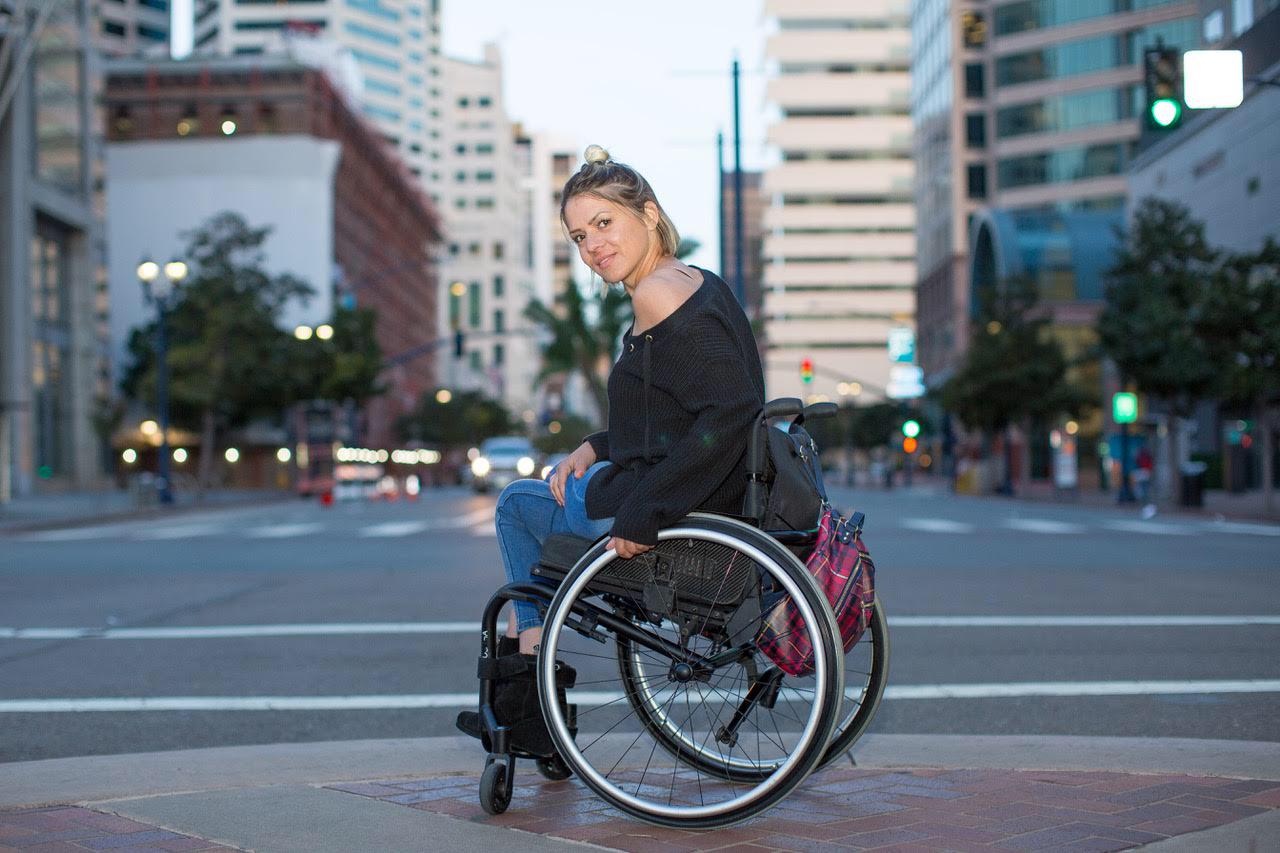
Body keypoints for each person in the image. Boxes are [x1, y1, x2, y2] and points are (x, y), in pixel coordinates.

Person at [456, 144, 766, 755]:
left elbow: (729, 411)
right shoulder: (697, 281)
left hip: (669, 517)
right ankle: (534, 694)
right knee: (540, 494)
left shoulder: (656, 293)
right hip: (688, 496)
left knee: (517, 505)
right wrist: (596, 447)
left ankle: (532, 700)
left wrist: (646, 509)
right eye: (578, 236)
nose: (592, 246)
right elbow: (676, 414)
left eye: (604, 224)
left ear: (649, 214)